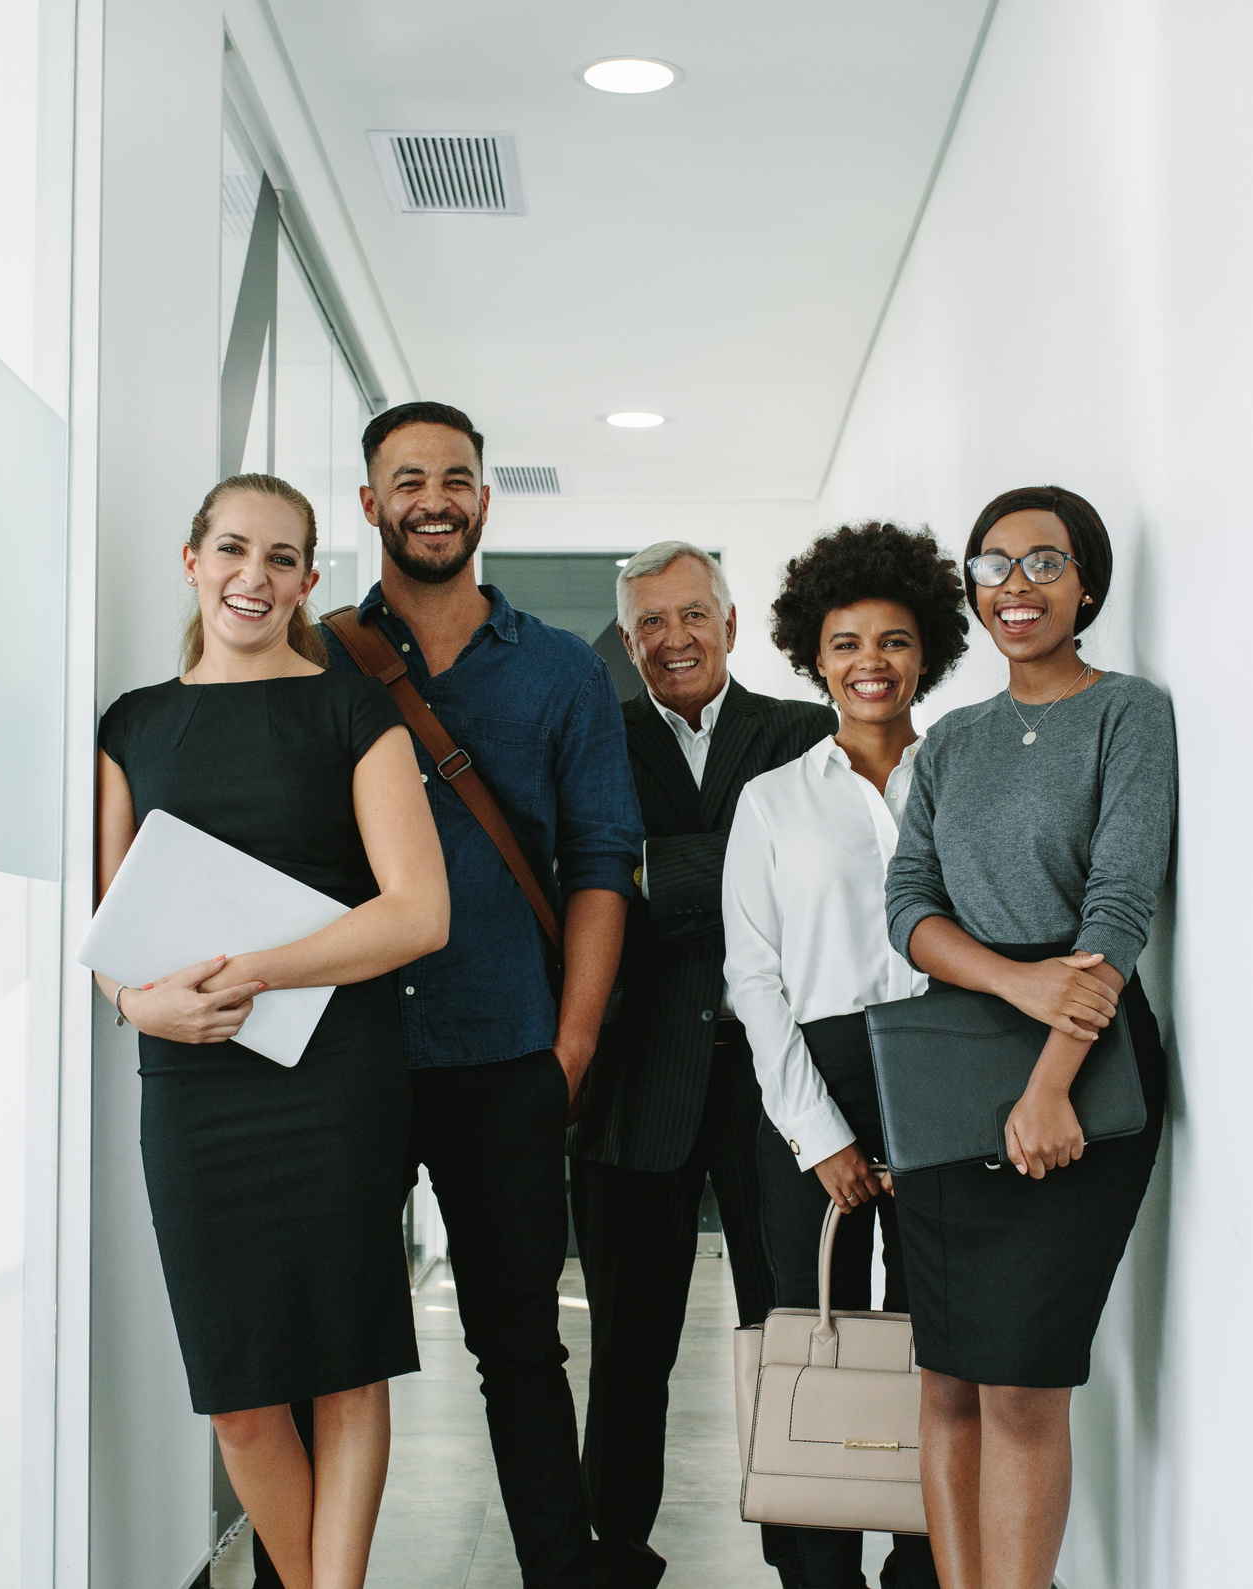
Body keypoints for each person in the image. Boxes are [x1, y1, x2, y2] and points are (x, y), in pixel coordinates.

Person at [91, 473, 451, 1589]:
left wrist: (258, 967)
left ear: (305, 579)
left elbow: (418, 912)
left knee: (346, 1368)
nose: (256, 576)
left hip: (333, 1080)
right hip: (194, 1086)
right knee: (242, 1401)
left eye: (284, 557)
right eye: (234, 550)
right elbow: (111, 936)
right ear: (192, 559)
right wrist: (134, 1002)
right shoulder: (135, 723)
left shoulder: (350, 708)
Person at [322, 401, 642, 1589]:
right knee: (331, 1344)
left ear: (483, 499)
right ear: (370, 505)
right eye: (407, 478)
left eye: (455, 475)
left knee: (519, 1344)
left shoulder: (558, 670)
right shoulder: (315, 656)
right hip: (347, 1051)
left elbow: (603, 862)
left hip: (506, 1048)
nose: (433, 496)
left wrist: (568, 1045)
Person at [880, 487, 1175, 1589]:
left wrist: (1051, 1079)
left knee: (1019, 1381)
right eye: (993, 563)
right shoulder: (951, 739)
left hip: (1083, 1079)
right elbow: (908, 904)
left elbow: (1118, 909)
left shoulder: (1127, 714)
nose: (1015, 584)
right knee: (948, 1376)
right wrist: (1014, 979)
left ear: (1086, 585)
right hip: (951, 1069)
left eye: (1043, 562)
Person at [568, 541, 836, 1589]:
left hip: (783, 1085)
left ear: (729, 622)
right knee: (629, 1351)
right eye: (649, 624)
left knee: (790, 1331)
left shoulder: (806, 731)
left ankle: (809, 1557)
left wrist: (647, 873)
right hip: (634, 1082)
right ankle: (616, 1553)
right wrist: (737, 862)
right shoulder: (596, 737)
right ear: (628, 642)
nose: (672, 638)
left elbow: (816, 884)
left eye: (691, 615)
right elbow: (576, 879)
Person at [723, 523, 970, 1589]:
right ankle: (813, 1565)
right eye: (845, 641)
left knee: (942, 1326)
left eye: (895, 639)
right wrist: (818, 1130)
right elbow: (753, 977)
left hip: (948, 1067)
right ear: (812, 657)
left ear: (927, 654)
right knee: (807, 1315)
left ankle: (923, 1561)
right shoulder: (773, 799)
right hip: (812, 1072)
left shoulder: (966, 778)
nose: (871, 659)